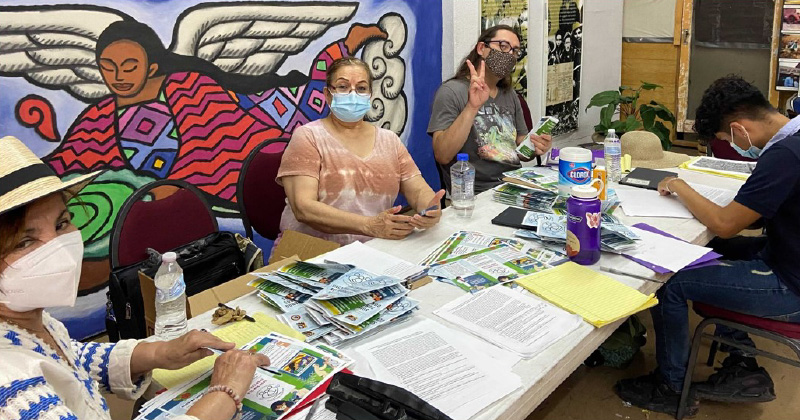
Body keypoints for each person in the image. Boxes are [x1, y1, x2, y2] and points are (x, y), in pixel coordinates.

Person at [0, 136, 271, 419]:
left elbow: (70, 359)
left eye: (61, 223)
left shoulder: (31, 322)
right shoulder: (9, 387)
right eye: (24, 242)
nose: (57, 248)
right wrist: (226, 391)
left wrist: (160, 353)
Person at [615, 76, 800, 416]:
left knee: (670, 282)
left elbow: (727, 224)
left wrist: (680, 187)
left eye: (726, 139)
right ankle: (742, 363)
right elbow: (755, 219)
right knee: (708, 253)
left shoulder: (784, 156)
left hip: (790, 285)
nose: (732, 146)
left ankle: (671, 387)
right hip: (785, 255)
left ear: (739, 128)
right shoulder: (793, 140)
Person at [278, 57, 445, 245]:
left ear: (370, 94)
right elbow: (304, 208)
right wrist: (369, 225)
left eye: (361, 88)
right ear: (328, 94)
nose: (353, 94)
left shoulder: (389, 140)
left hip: (373, 248)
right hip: (310, 251)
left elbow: (417, 190)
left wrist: (429, 208)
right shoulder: (308, 137)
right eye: (342, 87)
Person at [429, 25, 552, 194]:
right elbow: (442, 155)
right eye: (503, 46)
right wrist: (472, 107)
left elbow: (521, 152)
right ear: (482, 48)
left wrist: (536, 146)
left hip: (515, 184)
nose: (509, 54)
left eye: (515, 51)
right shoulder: (451, 92)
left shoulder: (510, 95)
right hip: (477, 192)